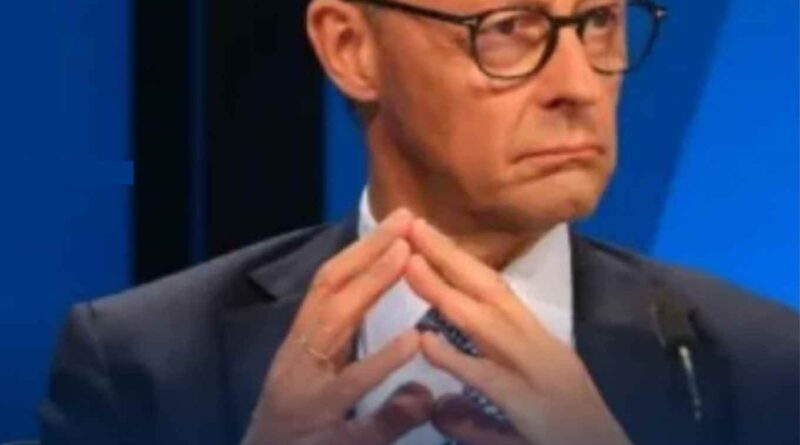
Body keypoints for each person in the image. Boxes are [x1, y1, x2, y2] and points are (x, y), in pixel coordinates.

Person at [40, 0, 798, 444]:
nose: (578, 86)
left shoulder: (767, 364)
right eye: (508, 27)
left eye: (599, 21)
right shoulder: (144, 363)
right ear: (350, 48)